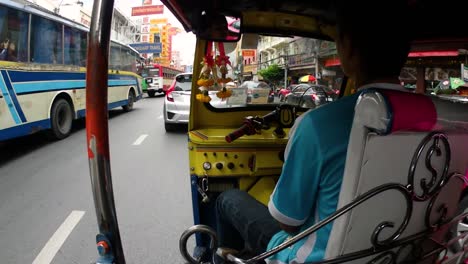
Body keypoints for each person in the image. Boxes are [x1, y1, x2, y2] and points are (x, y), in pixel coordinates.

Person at [215, 1, 412, 263]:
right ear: (404, 50)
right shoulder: (443, 120)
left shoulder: (318, 124)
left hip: (315, 257)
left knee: (228, 199)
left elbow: (287, 221)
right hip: (403, 251)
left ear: (348, 47)